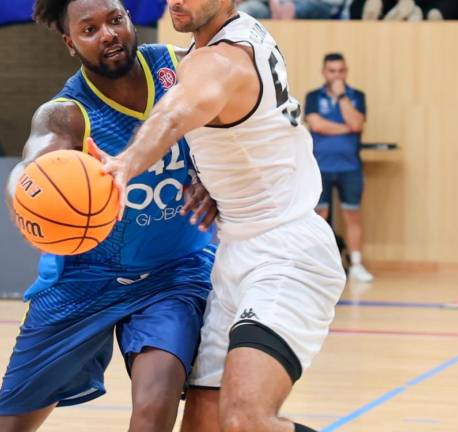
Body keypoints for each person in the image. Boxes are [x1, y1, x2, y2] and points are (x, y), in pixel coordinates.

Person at [94, 1, 346, 431]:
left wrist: (126, 163)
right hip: (234, 253)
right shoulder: (217, 44)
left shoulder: (224, 59)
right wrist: (205, 180)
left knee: (245, 421)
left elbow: (176, 112)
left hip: (287, 254)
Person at [0, 0, 217, 431]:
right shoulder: (66, 113)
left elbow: (235, 125)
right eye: (90, 29)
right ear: (71, 43)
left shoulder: (179, 69)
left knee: (154, 405)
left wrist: (216, 180)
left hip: (174, 273)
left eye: (115, 20)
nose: (107, 34)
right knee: (6, 428)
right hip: (84, 278)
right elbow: (31, 168)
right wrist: (21, 192)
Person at [304, 53, 373, 283]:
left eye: (340, 71)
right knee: (318, 216)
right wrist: (348, 127)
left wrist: (342, 96)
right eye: (332, 71)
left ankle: (356, 264)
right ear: (324, 72)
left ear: (346, 71)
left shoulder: (356, 96)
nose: (336, 75)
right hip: (320, 166)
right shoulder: (314, 96)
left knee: (352, 214)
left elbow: (357, 123)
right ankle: (318, 266)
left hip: (349, 167)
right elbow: (316, 124)